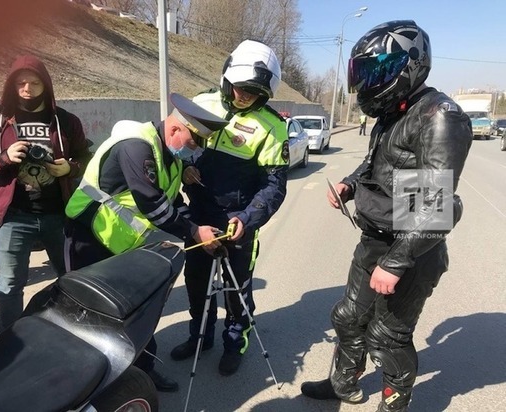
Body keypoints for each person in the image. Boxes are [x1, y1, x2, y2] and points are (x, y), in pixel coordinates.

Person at [300, 21, 473, 411]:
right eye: (364, 73)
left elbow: (436, 206)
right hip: (375, 238)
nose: (368, 82)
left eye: (376, 71)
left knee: (387, 337)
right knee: (347, 317)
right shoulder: (394, 112)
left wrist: (395, 262)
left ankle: (394, 407)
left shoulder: (438, 116)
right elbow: (377, 164)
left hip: (411, 251)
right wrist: (348, 183)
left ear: (407, 66)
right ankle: (343, 384)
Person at [63, 92, 229, 392]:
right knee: (91, 315)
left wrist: (201, 229)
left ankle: (143, 373)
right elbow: (151, 202)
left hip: (124, 243)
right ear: (175, 129)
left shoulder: (172, 159)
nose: (195, 151)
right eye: (194, 142)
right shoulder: (137, 146)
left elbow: (172, 200)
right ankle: (88, 385)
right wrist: (193, 232)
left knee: (139, 310)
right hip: (89, 238)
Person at [170, 39, 289, 376]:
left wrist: (248, 218)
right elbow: (175, 143)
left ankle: (234, 343)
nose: (244, 95)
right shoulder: (203, 102)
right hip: (198, 217)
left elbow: (274, 186)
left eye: (253, 91)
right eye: (240, 87)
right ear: (227, 79)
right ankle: (200, 337)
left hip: (239, 221)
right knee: (196, 283)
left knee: (237, 291)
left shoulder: (273, 127)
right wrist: (183, 166)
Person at [0, 55, 91, 333]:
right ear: (12, 85)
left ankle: (73, 332)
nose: (27, 88)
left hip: (58, 214)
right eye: (20, 83)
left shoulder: (65, 121)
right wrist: (3, 157)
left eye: (34, 82)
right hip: (14, 215)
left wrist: (70, 169)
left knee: (71, 278)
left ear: (45, 85)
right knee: (9, 285)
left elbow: (87, 157)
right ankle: (10, 344)